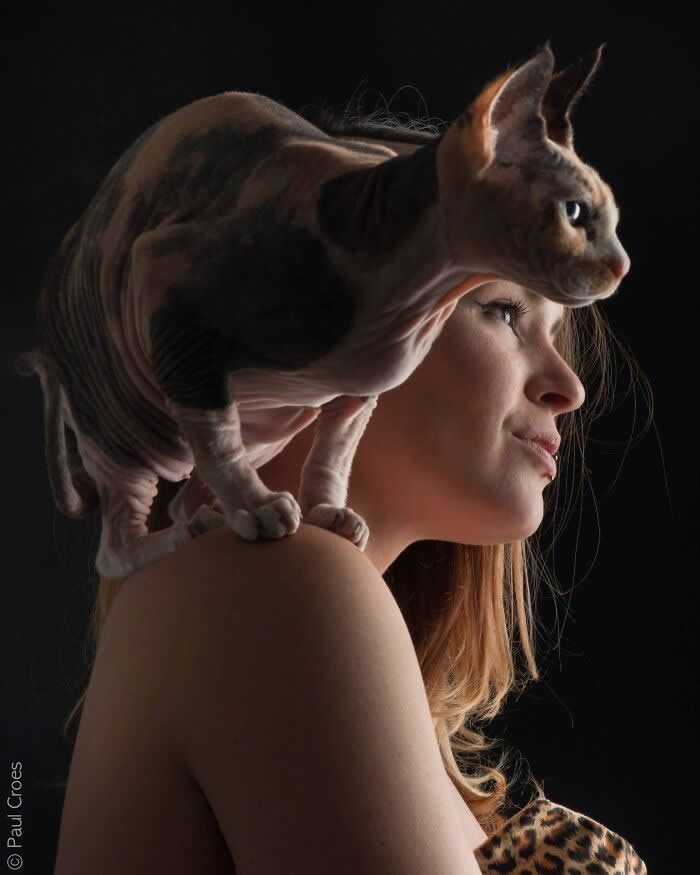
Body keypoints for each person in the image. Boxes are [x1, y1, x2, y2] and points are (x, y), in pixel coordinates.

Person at [52, 279, 633, 874]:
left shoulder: (257, 592)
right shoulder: (274, 582)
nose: (570, 388)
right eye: (504, 311)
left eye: (556, 332)